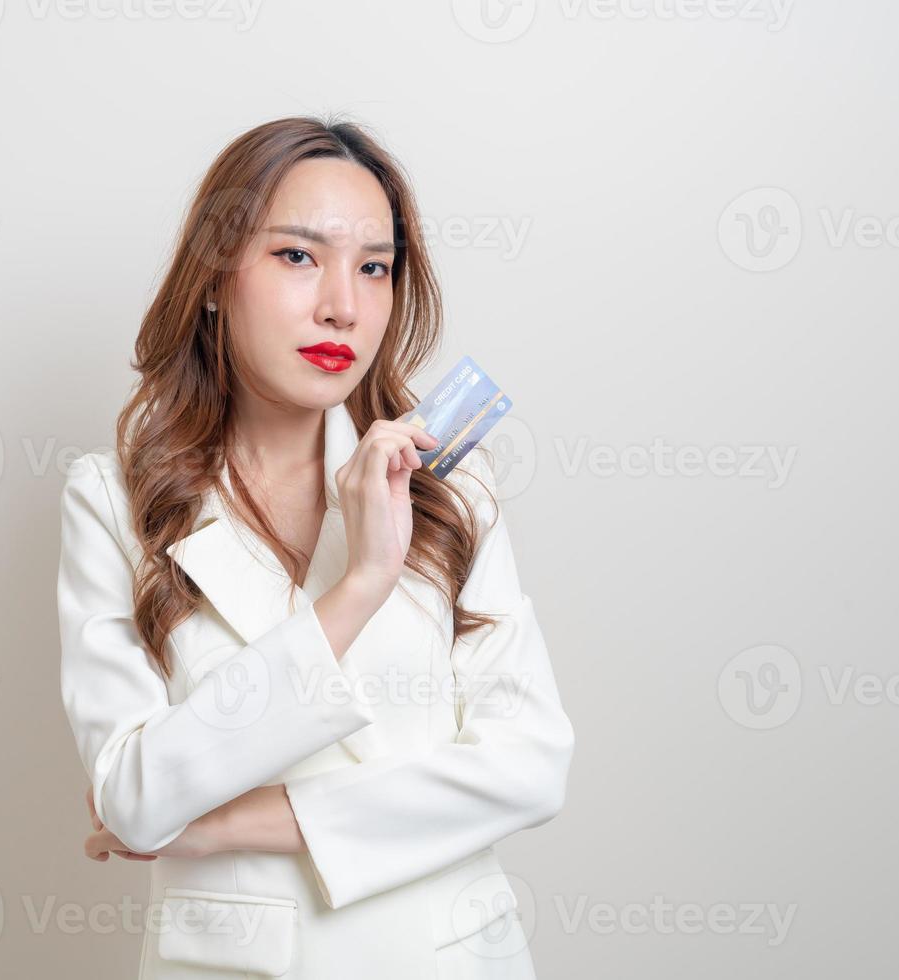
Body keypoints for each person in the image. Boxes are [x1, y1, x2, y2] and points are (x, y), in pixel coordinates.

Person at [57, 114, 575, 979]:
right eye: (297, 256)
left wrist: (229, 822)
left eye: (373, 267)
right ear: (214, 278)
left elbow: (528, 766)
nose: (343, 302)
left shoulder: (448, 485)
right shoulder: (113, 498)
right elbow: (136, 796)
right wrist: (360, 584)